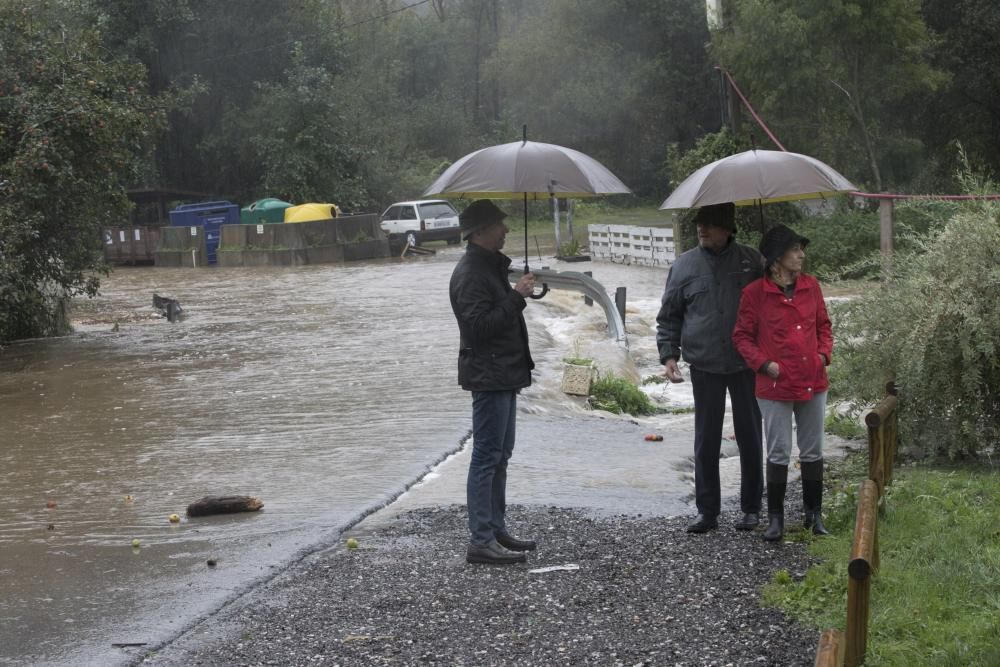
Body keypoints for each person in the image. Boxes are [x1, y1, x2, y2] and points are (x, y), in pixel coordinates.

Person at [656, 202, 765, 533]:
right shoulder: (684, 266)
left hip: (746, 362)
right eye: (700, 224)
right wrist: (668, 355)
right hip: (703, 363)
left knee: (750, 435)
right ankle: (707, 511)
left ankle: (752, 508)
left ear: (729, 228)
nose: (702, 229)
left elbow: (772, 307)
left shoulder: (752, 262)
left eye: (711, 224)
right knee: (706, 438)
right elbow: (669, 316)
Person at [449, 199, 538, 565]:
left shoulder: (488, 267)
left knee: (500, 455)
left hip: (502, 372)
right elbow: (478, 328)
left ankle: (495, 528)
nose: (506, 230)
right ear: (481, 231)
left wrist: (516, 294)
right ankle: (481, 539)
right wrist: (516, 297)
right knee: (486, 457)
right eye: (500, 224)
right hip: (489, 375)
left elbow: (494, 316)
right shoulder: (471, 272)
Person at [732, 224, 833, 542]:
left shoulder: (812, 286)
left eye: (801, 249)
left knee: (813, 449)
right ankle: (775, 519)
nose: (801, 254)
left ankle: (813, 516)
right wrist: (764, 363)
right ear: (776, 258)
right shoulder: (754, 294)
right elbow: (742, 337)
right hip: (774, 385)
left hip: (813, 381)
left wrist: (823, 355)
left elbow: (825, 326)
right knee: (778, 451)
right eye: (794, 249)